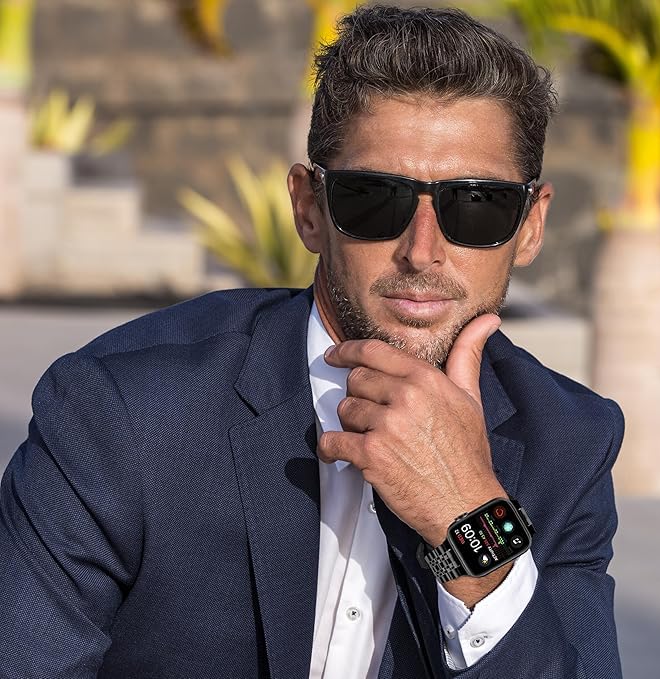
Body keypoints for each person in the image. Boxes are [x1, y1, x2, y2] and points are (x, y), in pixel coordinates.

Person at [0, 5, 624, 679]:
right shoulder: (125, 410)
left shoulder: (567, 442)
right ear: (308, 208)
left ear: (529, 226)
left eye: (476, 204)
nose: (422, 251)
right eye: (374, 198)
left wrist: (469, 518)